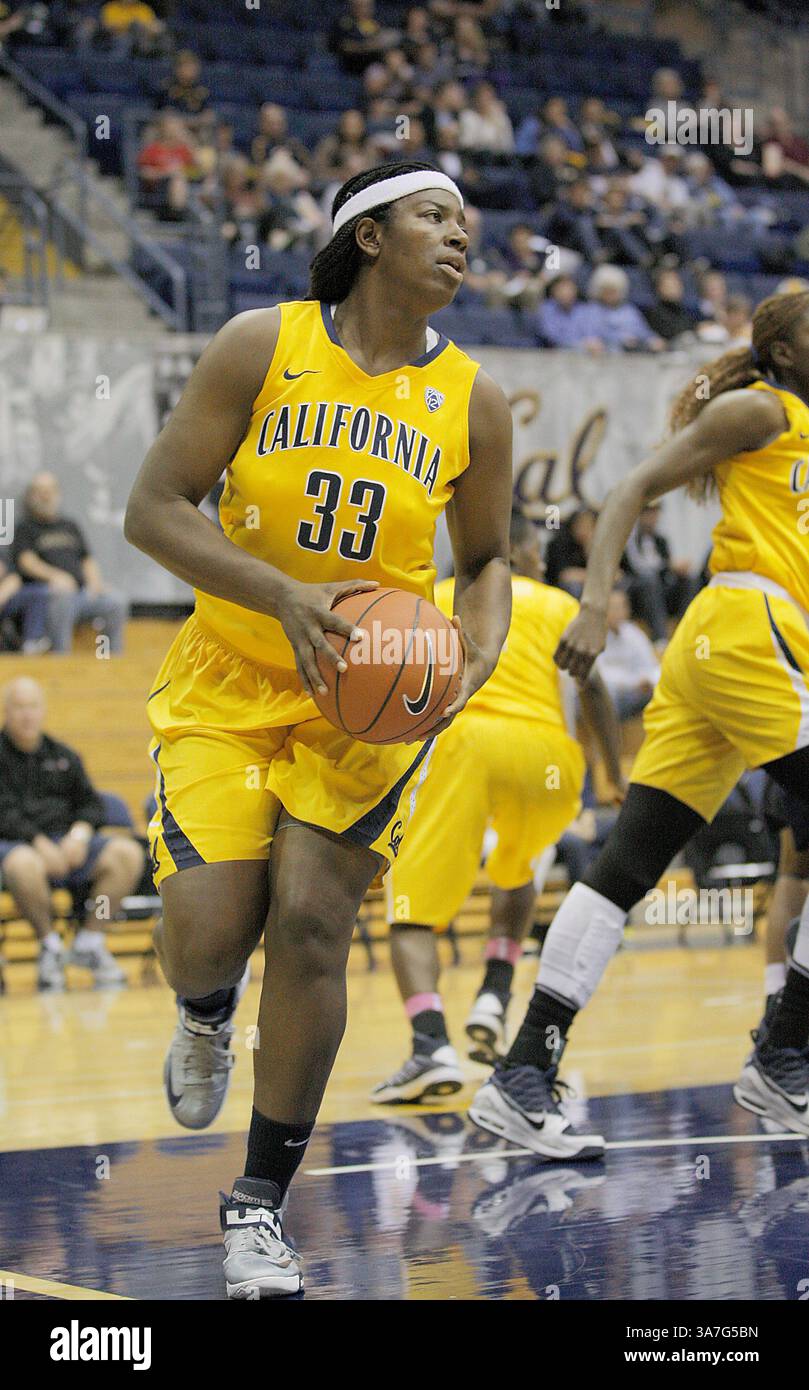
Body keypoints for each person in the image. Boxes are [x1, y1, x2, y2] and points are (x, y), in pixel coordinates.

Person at [124, 160, 513, 1297]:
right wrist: (279, 595)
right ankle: (203, 1010)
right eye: (435, 217)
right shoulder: (262, 343)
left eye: (466, 225)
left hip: (368, 698)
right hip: (231, 674)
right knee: (207, 927)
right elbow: (151, 509)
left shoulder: (472, 399)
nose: (459, 238)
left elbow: (485, 560)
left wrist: (472, 655)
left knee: (308, 922)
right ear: (370, 234)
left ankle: (256, 1206)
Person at [469, 289, 809, 1157]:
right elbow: (629, 486)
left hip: (734, 651)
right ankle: (785, 1053)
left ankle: (522, 1071)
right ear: (779, 351)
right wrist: (592, 606)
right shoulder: (760, 410)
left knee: (628, 865)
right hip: (744, 629)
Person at [371, 512, 623, 1106]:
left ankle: (431, 1045)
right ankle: (494, 994)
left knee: (410, 912)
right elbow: (596, 690)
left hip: (458, 747)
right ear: (528, 556)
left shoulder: (426, 601)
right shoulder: (558, 603)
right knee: (520, 867)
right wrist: (613, 773)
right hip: (546, 759)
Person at [0, 677, 143, 990]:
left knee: (127, 853)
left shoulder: (63, 754)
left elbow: (91, 804)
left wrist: (78, 836)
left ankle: (90, 942)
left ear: (42, 711)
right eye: (19, 707)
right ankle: (49, 945)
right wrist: (39, 844)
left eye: (33, 706)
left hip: (68, 845)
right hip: (16, 845)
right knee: (24, 864)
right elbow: (4, 814)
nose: (27, 715)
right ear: (6, 711)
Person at [13, 473, 127, 654]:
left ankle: (111, 659)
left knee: (115, 601)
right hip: (51, 595)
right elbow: (26, 561)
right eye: (40, 491)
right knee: (63, 597)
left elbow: (87, 558)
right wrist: (56, 577)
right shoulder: (25, 527)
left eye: (49, 491)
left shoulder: (70, 525)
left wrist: (95, 584)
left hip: (82, 594)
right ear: (31, 496)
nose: (45, 496)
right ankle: (61, 658)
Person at [595, 586, 659, 720]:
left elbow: (651, 665)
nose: (618, 612)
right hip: (610, 694)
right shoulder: (595, 636)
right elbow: (599, 674)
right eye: (613, 608)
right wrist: (634, 683)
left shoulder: (633, 633)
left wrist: (647, 681)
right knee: (606, 694)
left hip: (636, 693)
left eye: (621, 607)